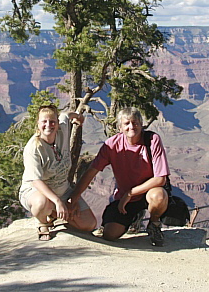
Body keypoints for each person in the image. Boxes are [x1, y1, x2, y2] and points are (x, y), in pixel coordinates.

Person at [70, 107, 170, 246]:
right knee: (110, 235)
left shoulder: (152, 140)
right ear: (120, 127)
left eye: (135, 123)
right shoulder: (111, 145)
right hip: (124, 198)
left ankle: (154, 224)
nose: (131, 127)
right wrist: (74, 198)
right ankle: (133, 218)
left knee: (158, 196)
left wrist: (130, 193)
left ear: (141, 124)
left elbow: (160, 179)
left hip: (148, 191)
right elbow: (92, 171)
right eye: (127, 123)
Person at [19, 105, 97, 240]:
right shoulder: (33, 148)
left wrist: (79, 117)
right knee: (42, 203)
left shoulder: (62, 130)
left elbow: (67, 115)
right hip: (35, 192)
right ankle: (43, 222)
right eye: (44, 121)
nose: (48, 125)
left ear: (57, 123)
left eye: (52, 121)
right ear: (38, 124)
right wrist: (57, 202)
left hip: (63, 191)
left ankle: (55, 214)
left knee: (88, 224)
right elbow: (36, 181)